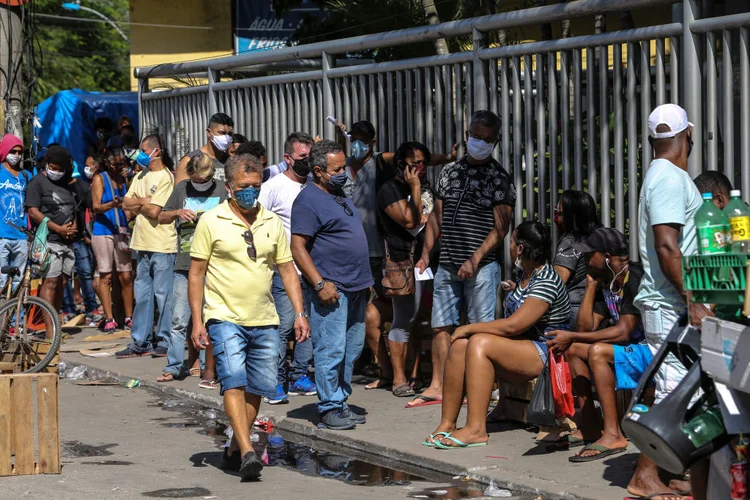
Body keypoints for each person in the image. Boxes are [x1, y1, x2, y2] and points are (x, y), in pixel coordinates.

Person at [189, 153, 310, 481]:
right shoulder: (211, 221)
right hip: (223, 315)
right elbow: (196, 273)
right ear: (229, 187)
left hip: (265, 318)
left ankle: (232, 448)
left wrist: (299, 313)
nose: (250, 192)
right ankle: (246, 450)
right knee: (234, 380)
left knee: (257, 385)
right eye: (243, 187)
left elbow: (287, 269)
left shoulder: (271, 222)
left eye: (255, 186)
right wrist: (198, 321)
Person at [426, 222, 570, 448]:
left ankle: (476, 429)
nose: (509, 246)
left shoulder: (547, 280)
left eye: (512, 242)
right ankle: (447, 423)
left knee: (478, 342)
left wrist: (470, 327)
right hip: (523, 346)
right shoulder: (525, 273)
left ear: (521, 248)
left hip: (548, 352)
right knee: (460, 345)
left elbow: (513, 327)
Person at [629, 103, 709, 500]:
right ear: (688, 134)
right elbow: (666, 245)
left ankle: (678, 471)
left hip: (672, 302)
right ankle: (644, 476)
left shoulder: (665, 176)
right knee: (673, 393)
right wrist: (692, 299)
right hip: (670, 303)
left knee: (687, 390)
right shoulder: (669, 178)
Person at [410, 110, 515, 408]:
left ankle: (477, 385)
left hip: (481, 267)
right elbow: (436, 218)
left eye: (486, 139)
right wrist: (426, 254)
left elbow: (501, 228)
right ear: (467, 134)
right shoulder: (450, 172)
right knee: (441, 325)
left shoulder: (499, 179)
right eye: (474, 136)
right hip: (447, 263)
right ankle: (438, 384)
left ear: (495, 141)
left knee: (480, 329)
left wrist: (475, 258)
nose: (478, 142)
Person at [545, 228, 650, 463]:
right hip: (629, 350)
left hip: (651, 350)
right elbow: (585, 328)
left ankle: (613, 434)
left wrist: (572, 335)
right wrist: (591, 286)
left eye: (588, 255)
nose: (584, 260)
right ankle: (591, 426)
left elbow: (624, 332)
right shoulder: (607, 280)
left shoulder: (634, 276)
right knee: (571, 349)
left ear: (606, 256)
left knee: (597, 350)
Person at [290, 140, 374, 430]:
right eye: (337, 169)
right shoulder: (307, 200)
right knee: (331, 349)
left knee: (351, 348)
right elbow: (297, 247)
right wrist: (319, 282)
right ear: (318, 170)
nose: (343, 173)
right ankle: (328, 407)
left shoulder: (339, 194)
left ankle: (340, 401)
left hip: (355, 286)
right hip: (331, 289)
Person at [157, 153, 226, 383]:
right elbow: (161, 217)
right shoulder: (182, 189)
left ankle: (209, 368)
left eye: (205, 179)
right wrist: (178, 212)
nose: (201, 184)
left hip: (214, 265)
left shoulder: (221, 190)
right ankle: (174, 365)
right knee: (179, 318)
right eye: (197, 179)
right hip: (185, 264)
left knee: (210, 318)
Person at [258, 141, 317, 404]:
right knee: (283, 327)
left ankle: (299, 375)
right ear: (288, 158)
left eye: (310, 155)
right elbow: (258, 223)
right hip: (284, 270)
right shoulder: (272, 187)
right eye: (302, 156)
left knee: (308, 324)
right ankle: (275, 381)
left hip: (312, 269)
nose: (307, 160)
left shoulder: (315, 184)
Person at [376, 141, 434, 397]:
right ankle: (398, 377)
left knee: (419, 320)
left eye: (424, 162)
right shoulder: (390, 190)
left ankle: (416, 373)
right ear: (401, 165)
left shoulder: (425, 188)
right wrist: (416, 187)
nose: (421, 168)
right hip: (402, 262)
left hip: (426, 263)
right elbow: (410, 220)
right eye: (415, 163)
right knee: (403, 319)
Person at [116, 134, 177, 359]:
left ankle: (164, 339)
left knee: (163, 295)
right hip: (141, 242)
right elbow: (126, 203)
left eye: (143, 150)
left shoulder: (165, 177)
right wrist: (144, 201)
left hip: (162, 244)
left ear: (156, 152)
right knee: (143, 295)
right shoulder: (140, 176)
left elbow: (156, 211)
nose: (139, 154)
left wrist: (138, 203)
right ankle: (140, 341)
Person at [26, 146, 88, 336]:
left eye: (60, 169)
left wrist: (74, 228)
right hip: (49, 240)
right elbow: (33, 211)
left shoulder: (66, 184)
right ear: (46, 164)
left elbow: (74, 207)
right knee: (50, 281)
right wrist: (57, 227)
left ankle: (56, 319)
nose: (56, 171)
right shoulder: (37, 183)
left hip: (67, 242)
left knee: (62, 282)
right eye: (53, 167)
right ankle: (49, 330)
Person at [91, 147, 134, 333]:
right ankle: (109, 318)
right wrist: (112, 204)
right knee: (106, 275)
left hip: (122, 230)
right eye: (115, 164)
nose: (118, 167)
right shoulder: (100, 178)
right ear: (107, 163)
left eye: (121, 164)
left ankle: (129, 317)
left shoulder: (124, 179)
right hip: (103, 230)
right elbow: (96, 207)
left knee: (126, 275)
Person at [553, 190, 601, 328]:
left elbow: (556, 283)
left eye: (560, 213)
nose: (556, 216)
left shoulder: (571, 241)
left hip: (570, 312)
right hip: (596, 310)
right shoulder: (598, 236)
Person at [0, 134, 31, 293]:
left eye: (20, 152)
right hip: (1, 236)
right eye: (13, 151)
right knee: (1, 281)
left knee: (18, 282)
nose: (17, 156)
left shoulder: (26, 176)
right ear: (5, 151)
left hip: (21, 237)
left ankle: (14, 317)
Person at [175, 113, 234, 183]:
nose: (226, 138)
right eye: (222, 133)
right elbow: (180, 192)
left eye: (230, 134)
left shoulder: (232, 162)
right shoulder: (190, 161)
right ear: (209, 133)